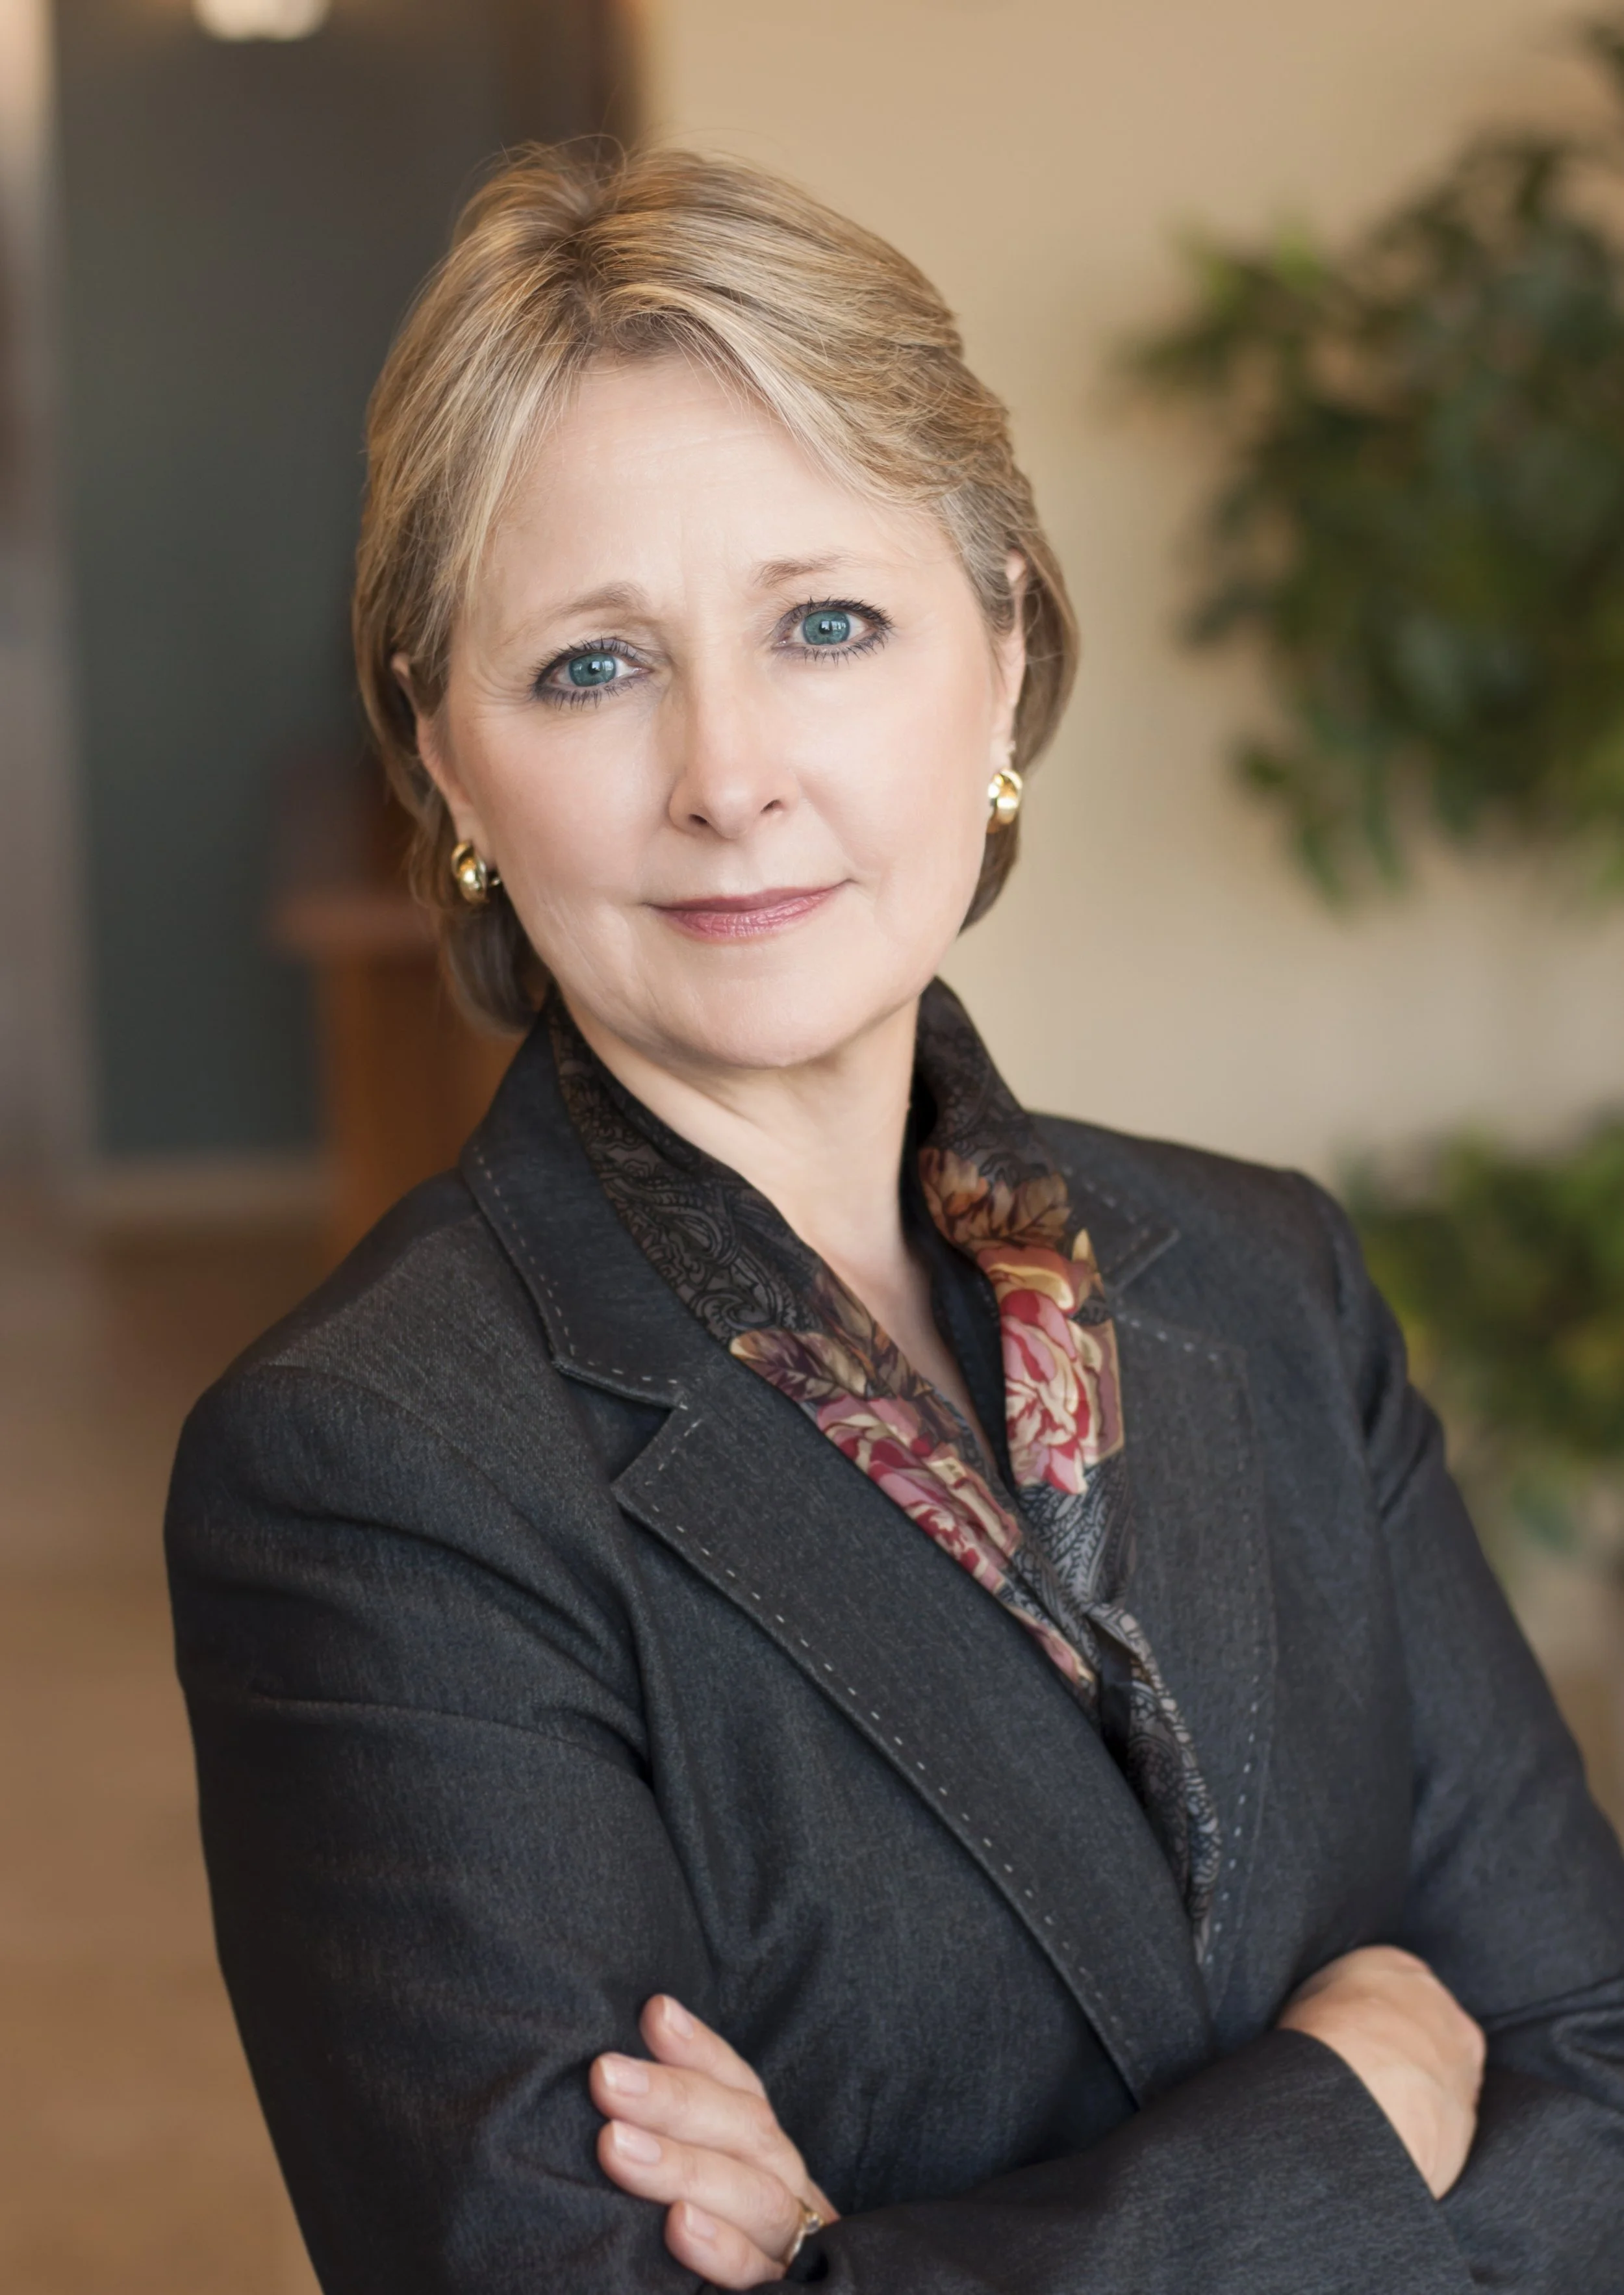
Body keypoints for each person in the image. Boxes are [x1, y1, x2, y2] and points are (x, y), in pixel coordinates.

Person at [166, 147, 1624, 2294]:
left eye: (824, 624)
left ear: (1002, 652)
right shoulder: (370, 1471)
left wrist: (866, 2258)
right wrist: (1350, 2112)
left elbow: (1597, 2075)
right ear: (446, 758)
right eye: (592, 665)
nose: (727, 773)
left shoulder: (1272, 1282)